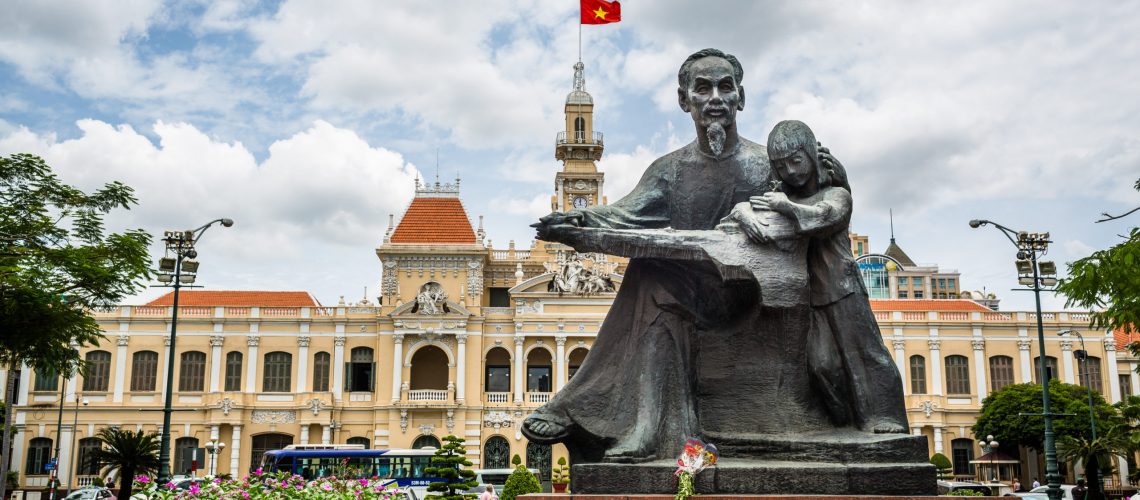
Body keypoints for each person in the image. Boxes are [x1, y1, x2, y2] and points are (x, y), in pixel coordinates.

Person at [523, 48, 772, 463]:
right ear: (684, 100)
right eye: (702, 88)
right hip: (693, 296)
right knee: (651, 276)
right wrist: (577, 223)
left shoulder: (766, 166)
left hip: (753, 294)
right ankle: (646, 426)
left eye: (725, 87)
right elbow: (622, 214)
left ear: (740, 98)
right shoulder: (669, 170)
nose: (714, 98)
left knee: (652, 278)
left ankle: (598, 412)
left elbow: (812, 210)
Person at [734, 120, 907, 433]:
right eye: (781, 166)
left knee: (867, 354)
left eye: (796, 161)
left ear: (812, 156)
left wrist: (785, 206)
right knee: (821, 364)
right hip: (810, 295)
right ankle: (843, 423)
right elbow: (747, 212)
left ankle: (886, 417)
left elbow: (823, 218)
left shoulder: (836, 195)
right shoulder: (784, 200)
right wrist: (746, 213)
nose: (790, 172)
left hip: (843, 288)